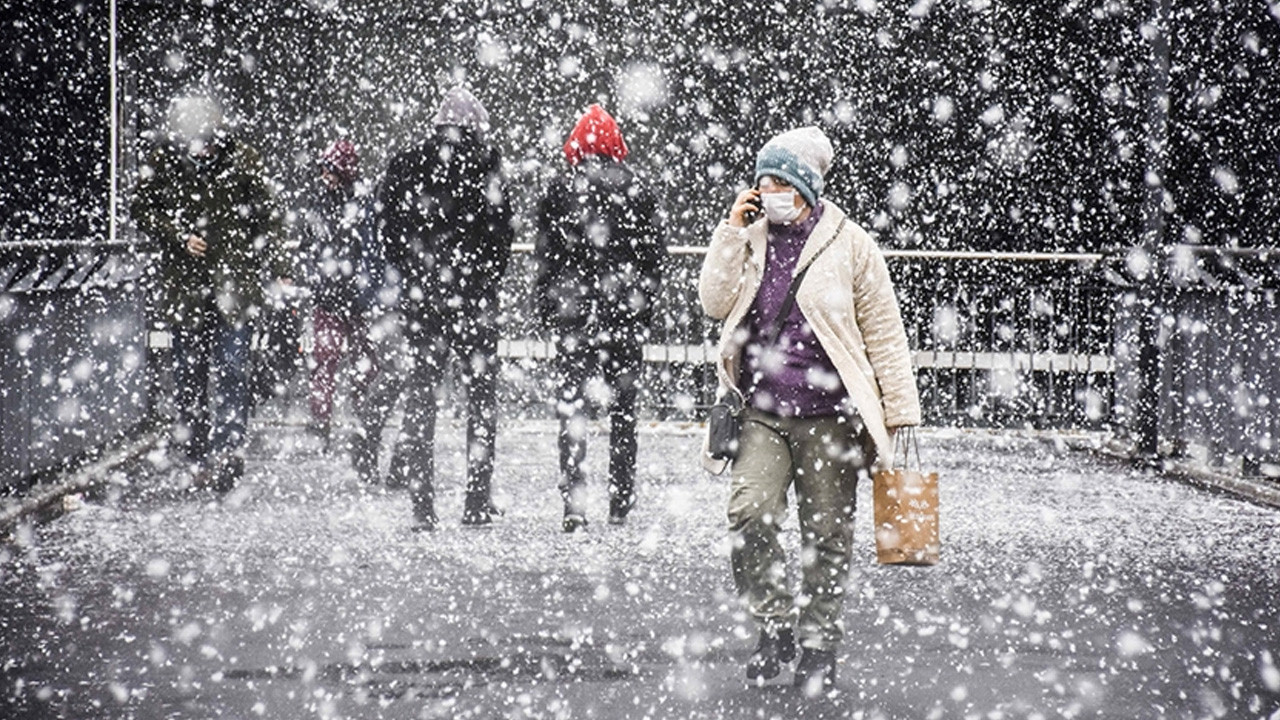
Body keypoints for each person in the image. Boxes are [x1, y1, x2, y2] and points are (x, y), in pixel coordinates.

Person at [698, 126, 921, 691]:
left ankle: (819, 645)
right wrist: (730, 230)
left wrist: (900, 413)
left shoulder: (851, 245)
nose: (768, 192)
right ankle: (774, 625)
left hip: (830, 414)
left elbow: (885, 333)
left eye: (778, 182)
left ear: (805, 186)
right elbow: (713, 301)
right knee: (749, 514)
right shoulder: (750, 238)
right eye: (761, 183)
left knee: (826, 535)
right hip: (761, 411)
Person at [132, 92, 290, 492]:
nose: (204, 148)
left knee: (233, 368)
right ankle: (199, 451)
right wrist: (178, 236)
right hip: (187, 288)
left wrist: (278, 266)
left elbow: (269, 215)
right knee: (189, 373)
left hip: (231, 286)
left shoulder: (242, 161)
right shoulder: (165, 162)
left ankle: (228, 449)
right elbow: (142, 208)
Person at [377, 87, 513, 530]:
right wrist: (481, 280)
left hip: (423, 302)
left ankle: (423, 506)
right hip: (473, 303)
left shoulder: (406, 165)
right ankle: (476, 500)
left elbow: (389, 232)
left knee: (422, 398)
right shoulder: (487, 167)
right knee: (481, 402)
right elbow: (501, 236)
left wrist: (417, 277)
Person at [534, 104, 664, 532]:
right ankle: (620, 500)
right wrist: (642, 305)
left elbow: (547, 257)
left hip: (576, 319)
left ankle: (575, 504)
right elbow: (652, 259)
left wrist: (549, 306)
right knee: (623, 412)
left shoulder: (559, 189)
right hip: (623, 315)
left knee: (573, 410)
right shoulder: (638, 189)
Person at [299, 138, 380, 453]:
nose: (325, 176)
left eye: (330, 170)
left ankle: (349, 417)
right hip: (336, 294)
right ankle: (331, 421)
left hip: (348, 295)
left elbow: (370, 248)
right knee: (328, 361)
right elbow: (312, 242)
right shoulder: (341, 200)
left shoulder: (356, 202)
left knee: (348, 362)